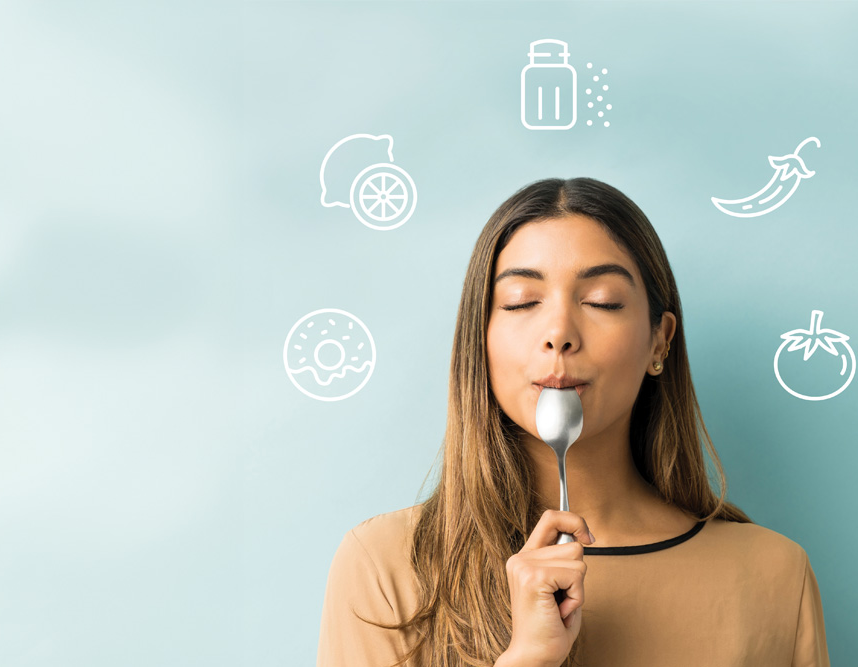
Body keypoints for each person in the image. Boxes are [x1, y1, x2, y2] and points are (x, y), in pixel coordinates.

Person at [315, 177, 831, 667]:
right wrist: (528, 657)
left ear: (660, 341)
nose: (559, 332)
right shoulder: (387, 565)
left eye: (601, 301)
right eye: (522, 303)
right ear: (481, 338)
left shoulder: (775, 574)